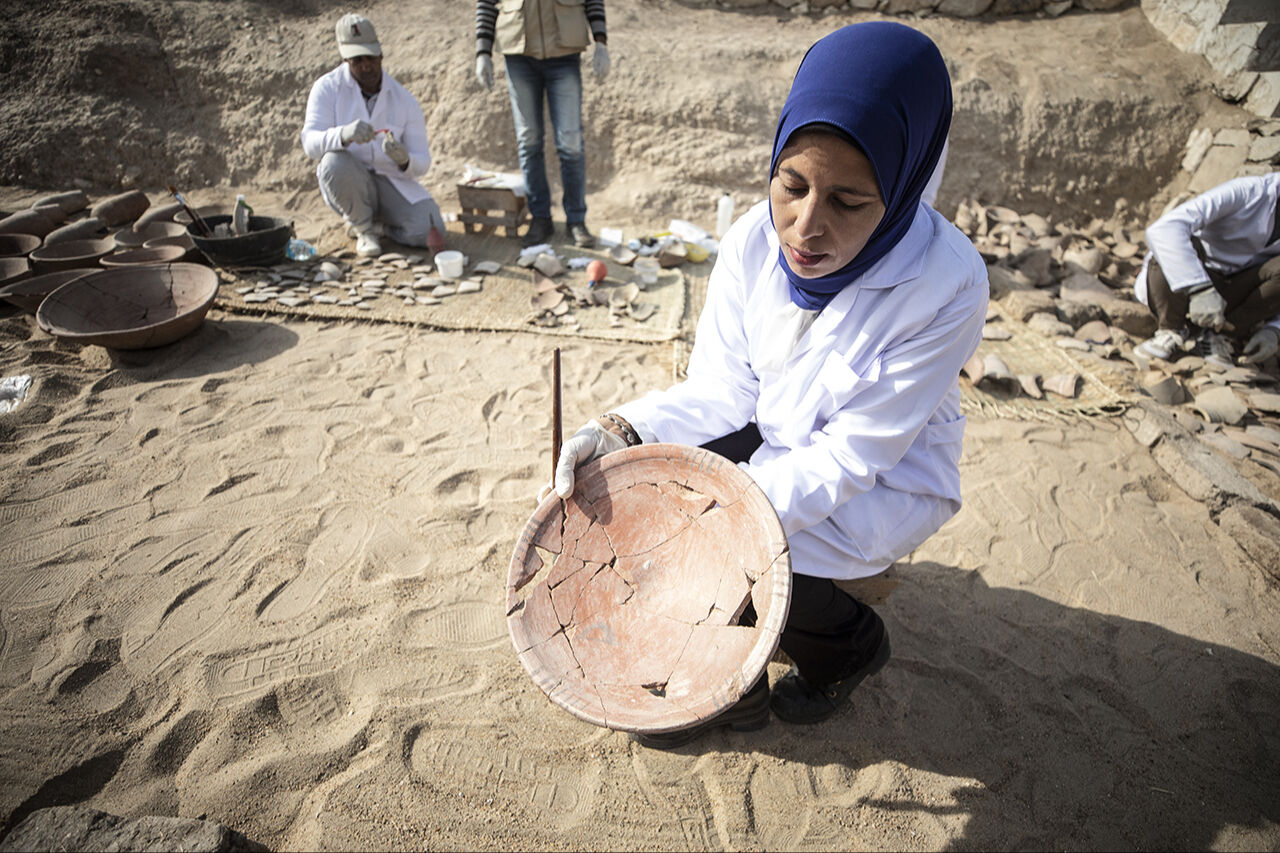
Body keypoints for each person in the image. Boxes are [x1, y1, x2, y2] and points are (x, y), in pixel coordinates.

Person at [547, 22, 988, 748]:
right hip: (774, 430)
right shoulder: (755, 239)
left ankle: (846, 645)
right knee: (653, 481)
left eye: (848, 203)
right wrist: (616, 432)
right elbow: (721, 389)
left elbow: (851, 457)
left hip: (880, 480)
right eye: (792, 184)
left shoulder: (948, 285)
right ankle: (738, 682)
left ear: (904, 187)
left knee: (742, 550)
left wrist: (718, 527)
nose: (805, 227)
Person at [301, 13, 445, 258]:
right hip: (350, 183)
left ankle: (382, 228)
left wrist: (405, 160)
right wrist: (342, 135)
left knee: (431, 230)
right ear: (345, 59)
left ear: (381, 55)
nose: (365, 66)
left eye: (370, 57)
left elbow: (423, 162)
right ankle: (364, 229)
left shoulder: (404, 100)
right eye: (357, 60)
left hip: (391, 182)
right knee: (333, 161)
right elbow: (310, 143)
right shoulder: (327, 88)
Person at [474, 0, 609, 248]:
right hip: (519, 54)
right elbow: (486, 3)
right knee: (529, 140)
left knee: (570, 142)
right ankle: (540, 218)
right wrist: (483, 51)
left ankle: (576, 220)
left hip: (564, 52)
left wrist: (601, 41)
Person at [1133, 173, 1280, 367]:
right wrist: (1200, 288)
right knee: (1182, 242)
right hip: (1176, 290)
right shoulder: (1248, 192)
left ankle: (1218, 337)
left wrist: (1274, 329)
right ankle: (1170, 330)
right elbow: (1163, 229)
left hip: (1228, 298)